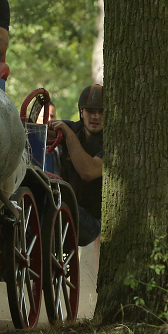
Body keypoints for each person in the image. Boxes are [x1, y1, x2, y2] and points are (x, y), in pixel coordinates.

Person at [49, 84, 104, 246]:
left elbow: (88, 172)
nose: (95, 117)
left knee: (60, 208)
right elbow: (37, 132)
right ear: (81, 111)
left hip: (90, 221)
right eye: (90, 111)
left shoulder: (111, 143)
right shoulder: (73, 128)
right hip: (64, 207)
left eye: (101, 112)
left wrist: (68, 135)